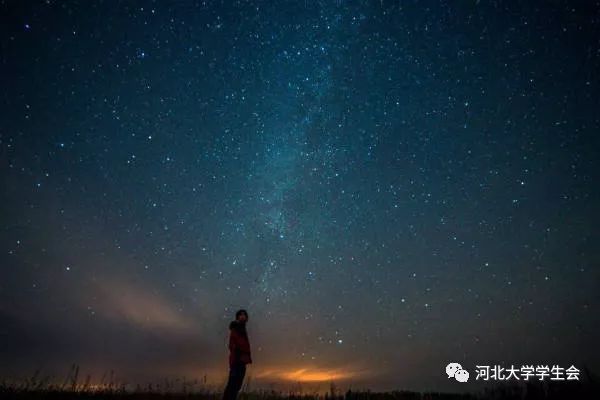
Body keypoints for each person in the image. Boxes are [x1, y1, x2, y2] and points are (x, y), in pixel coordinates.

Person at [222, 309, 252, 400]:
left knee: (237, 385)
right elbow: (233, 344)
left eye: (244, 315)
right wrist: (240, 353)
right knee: (232, 385)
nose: (243, 316)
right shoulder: (236, 328)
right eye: (241, 315)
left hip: (242, 360)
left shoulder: (242, 328)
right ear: (237, 317)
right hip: (237, 360)